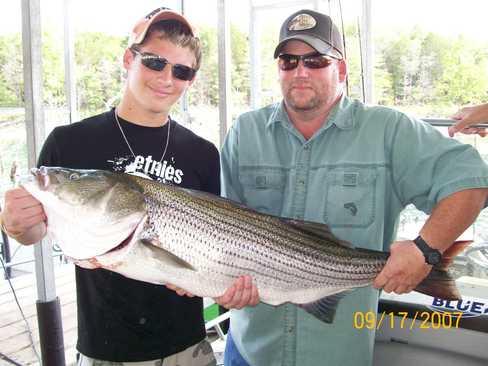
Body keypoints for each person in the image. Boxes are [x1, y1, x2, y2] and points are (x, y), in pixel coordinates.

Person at [220, 9, 488, 366]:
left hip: (336, 355)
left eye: (316, 60)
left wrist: (426, 251)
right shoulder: (244, 131)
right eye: (288, 61)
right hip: (249, 351)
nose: (300, 71)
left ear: (341, 70)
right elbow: (220, 231)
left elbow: (472, 180)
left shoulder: (387, 130)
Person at [0, 8, 257, 365]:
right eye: (154, 62)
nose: (166, 78)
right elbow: (36, 230)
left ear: (191, 81)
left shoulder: (203, 154)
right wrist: (16, 224)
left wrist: (228, 287)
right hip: (105, 349)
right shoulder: (68, 144)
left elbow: (218, 244)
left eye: (181, 71)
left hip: (189, 348)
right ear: (128, 59)